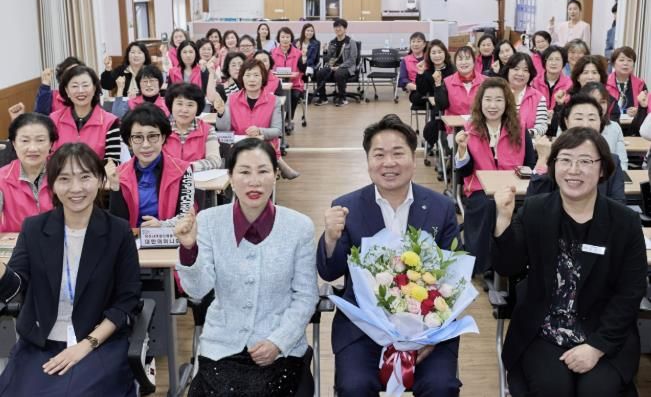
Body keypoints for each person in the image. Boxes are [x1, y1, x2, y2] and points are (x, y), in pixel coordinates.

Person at [492, 127, 646, 397]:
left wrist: (597, 346)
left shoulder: (625, 222)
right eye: (565, 160)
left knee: (597, 391)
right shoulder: (536, 210)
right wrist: (503, 220)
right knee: (552, 389)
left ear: (602, 169)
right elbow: (507, 267)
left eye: (585, 161)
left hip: (603, 332)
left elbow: (630, 292)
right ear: (554, 166)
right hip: (542, 330)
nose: (573, 170)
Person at [317, 114, 462, 396]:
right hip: (362, 329)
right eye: (379, 155)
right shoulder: (346, 207)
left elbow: (454, 277)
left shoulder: (440, 207)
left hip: (428, 331)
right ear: (368, 161)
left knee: (441, 386)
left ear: (414, 157)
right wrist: (330, 239)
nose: (389, 163)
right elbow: (329, 272)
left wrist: (432, 335)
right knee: (354, 387)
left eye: (398, 153)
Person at [174, 137, 318, 397]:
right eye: (244, 172)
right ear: (230, 177)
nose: (254, 182)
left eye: (263, 171)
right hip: (221, 348)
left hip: (280, 351)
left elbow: (306, 296)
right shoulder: (209, 222)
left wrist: (278, 341)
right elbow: (197, 291)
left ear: (276, 175)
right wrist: (188, 249)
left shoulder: (299, 227)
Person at [0, 142, 141, 396]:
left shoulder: (118, 231)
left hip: (98, 342)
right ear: (52, 185)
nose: (76, 188)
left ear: (100, 180)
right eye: (64, 179)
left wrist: (86, 345)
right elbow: (16, 286)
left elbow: (126, 302)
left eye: (85, 177)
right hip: (41, 344)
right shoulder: (34, 228)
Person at [454, 77, 535, 274]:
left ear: (507, 103)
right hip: (480, 190)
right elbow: (464, 172)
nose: (492, 105)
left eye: (498, 100)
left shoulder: (519, 128)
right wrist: (462, 149)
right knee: (488, 205)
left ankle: (521, 263)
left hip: (515, 189)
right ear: (480, 102)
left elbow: (529, 163)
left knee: (533, 207)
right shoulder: (470, 129)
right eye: (488, 99)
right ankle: (483, 264)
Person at [107, 103, 195, 228]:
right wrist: (115, 187)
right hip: (132, 238)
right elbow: (117, 223)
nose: (146, 145)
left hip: (170, 236)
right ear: (129, 141)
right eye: (138, 137)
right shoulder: (120, 173)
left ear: (163, 138)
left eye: (152, 136)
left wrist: (161, 226)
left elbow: (186, 216)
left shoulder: (183, 170)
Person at [527, 94, 626, 204]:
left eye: (592, 119)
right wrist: (542, 159)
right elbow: (533, 203)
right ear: (566, 121)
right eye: (579, 118)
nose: (585, 124)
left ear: (600, 122)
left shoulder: (611, 160)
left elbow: (618, 203)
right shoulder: (555, 156)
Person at [214, 59, 299, 180]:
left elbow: (277, 130)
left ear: (263, 78)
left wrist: (260, 131)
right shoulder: (232, 99)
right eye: (247, 75)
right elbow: (224, 128)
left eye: (256, 75)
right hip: (238, 148)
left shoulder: (273, 100)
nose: (252, 79)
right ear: (242, 78)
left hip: (262, 148)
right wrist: (221, 113)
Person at [50, 65, 122, 163]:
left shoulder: (110, 122)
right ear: (67, 91)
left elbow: (112, 163)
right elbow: (48, 157)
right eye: (74, 86)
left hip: (97, 173)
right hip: (60, 172)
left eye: (85, 85)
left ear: (94, 88)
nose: (80, 91)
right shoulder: (54, 119)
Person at [0, 113, 58, 232]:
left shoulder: (62, 174)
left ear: (51, 143)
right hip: (16, 241)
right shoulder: (2, 178)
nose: (33, 148)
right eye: (25, 141)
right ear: (14, 143)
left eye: (40, 140)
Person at [163, 83, 221, 171]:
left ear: (198, 108)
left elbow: (215, 161)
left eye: (190, 105)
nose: (184, 110)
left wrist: (187, 167)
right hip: (168, 177)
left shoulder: (208, 130)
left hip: (198, 178)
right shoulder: (162, 130)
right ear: (171, 105)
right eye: (179, 104)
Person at [416, 39, 456, 148]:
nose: (437, 55)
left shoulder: (453, 70)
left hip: (454, 104)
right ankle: (439, 145)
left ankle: (447, 146)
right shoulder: (428, 72)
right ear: (429, 55)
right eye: (433, 53)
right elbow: (422, 91)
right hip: (438, 105)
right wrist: (420, 73)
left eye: (440, 52)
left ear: (445, 53)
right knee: (436, 118)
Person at [580, 82, 628, 170]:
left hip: (609, 175)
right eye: (593, 101)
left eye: (602, 102)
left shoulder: (615, 127)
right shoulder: (571, 126)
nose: (599, 106)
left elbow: (622, 163)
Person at [500, 53, 548, 136]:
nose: (520, 73)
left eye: (525, 70)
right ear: (508, 70)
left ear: (530, 74)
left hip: (527, 141)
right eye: (516, 69)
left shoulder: (538, 98)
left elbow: (542, 127)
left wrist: (523, 134)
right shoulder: (498, 92)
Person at [314, 18, 358, 107]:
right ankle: (323, 98)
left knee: (339, 73)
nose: (337, 29)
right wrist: (325, 51)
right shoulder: (332, 42)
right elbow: (328, 59)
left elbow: (352, 59)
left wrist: (339, 67)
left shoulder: (351, 42)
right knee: (320, 73)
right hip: (332, 66)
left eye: (340, 27)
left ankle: (342, 98)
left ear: (345, 29)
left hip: (346, 67)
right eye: (336, 27)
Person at [271, 27, 307, 129]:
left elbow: (303, 70)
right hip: (277, 83)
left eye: (287, 37)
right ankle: (275, 120)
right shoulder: (273, 52)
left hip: (295, 84)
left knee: (294, 96)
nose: (285, 39)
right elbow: (269, 69)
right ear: (279, 38)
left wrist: (304, 57)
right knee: (273, 96)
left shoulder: (298, 53)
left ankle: (288, 119)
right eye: (282, 37)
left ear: (291, 38)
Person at [605, 46, 648, 132]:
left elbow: (647, 107)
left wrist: (639, 110)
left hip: (634, 128)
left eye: (629, 60)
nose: (625, 63)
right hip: (609, 126)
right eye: (621, 60)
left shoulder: (640, 84)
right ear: (613, 63)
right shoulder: (604, 83)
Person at [531, 46, 572, 113]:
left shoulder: (569, 84)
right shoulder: (534, 82)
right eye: (550, 59)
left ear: (563, 62)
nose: (553, 63)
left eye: (557, 59)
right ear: (544, 62)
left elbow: (569, 108)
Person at [398, 32, 427, 107]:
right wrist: (418, 88)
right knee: (420, 98)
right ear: (410, 44)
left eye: (418, 41)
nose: (415, 44)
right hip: (416, 90)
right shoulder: (405, 60)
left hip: (431, 88)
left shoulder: (430, 58)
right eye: (413, 41)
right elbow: (402, 80)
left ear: (424, 44)